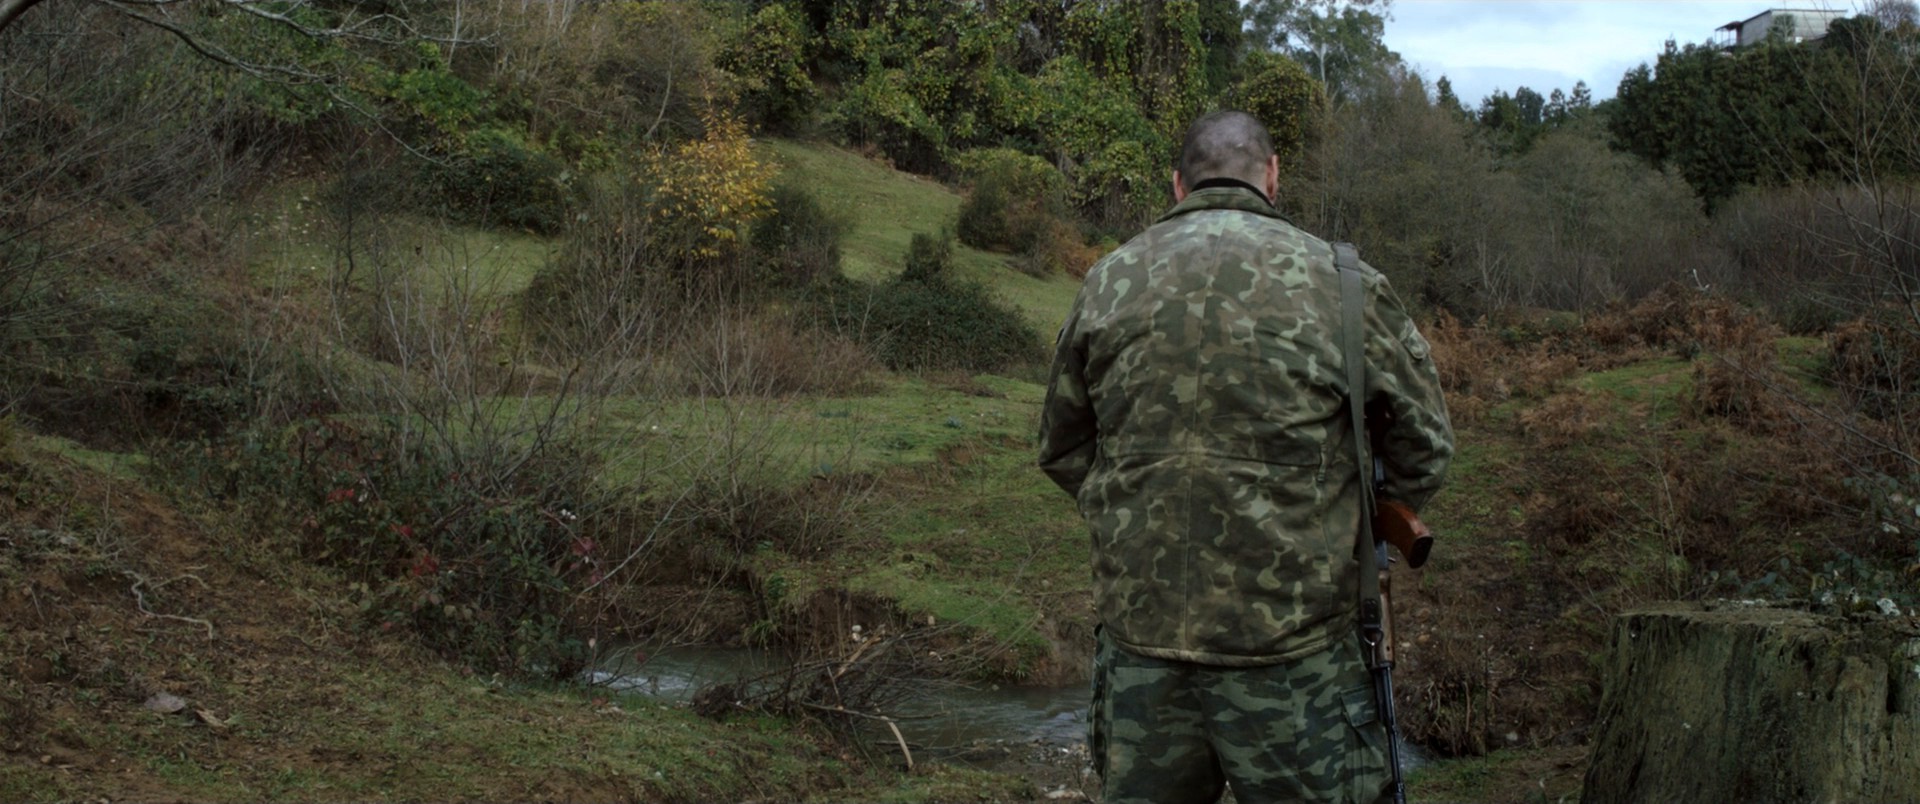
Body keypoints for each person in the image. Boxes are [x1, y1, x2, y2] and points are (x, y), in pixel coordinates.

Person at [1037, 110, 1453, 804]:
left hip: (1143, 652)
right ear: (1273, 175)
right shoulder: (1344, 284)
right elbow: (1426, 449)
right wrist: (1336, 522)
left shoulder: (1109, 279)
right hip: (1296, 659)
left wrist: (1137, 513)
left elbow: (1062, 444)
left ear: (1178, 184)